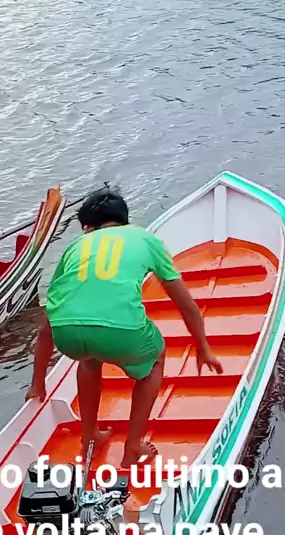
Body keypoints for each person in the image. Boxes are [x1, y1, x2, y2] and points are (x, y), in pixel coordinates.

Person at [25, 187, 223, 468]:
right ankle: (133, 446)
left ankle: (89, 437)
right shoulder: (145, 238)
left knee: (89, 359)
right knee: (155, 357)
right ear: (124, 220)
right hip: (121, 334)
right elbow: (185, 304)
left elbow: (46, 324)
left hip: (67, 335)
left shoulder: (75, 247)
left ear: (87, 227)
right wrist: (203, 347)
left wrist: (38, 382)